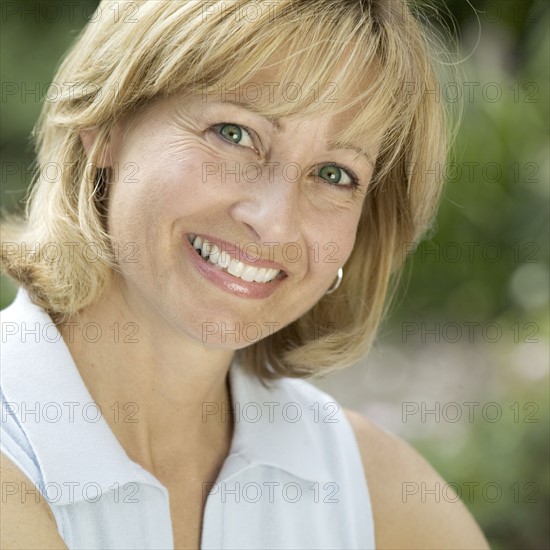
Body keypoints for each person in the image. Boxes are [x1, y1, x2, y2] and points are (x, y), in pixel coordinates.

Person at [1, 0, 491, 548]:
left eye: (334, 174)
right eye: (234, 133)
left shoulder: (368, 485)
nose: (275, 223)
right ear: (107, 125)